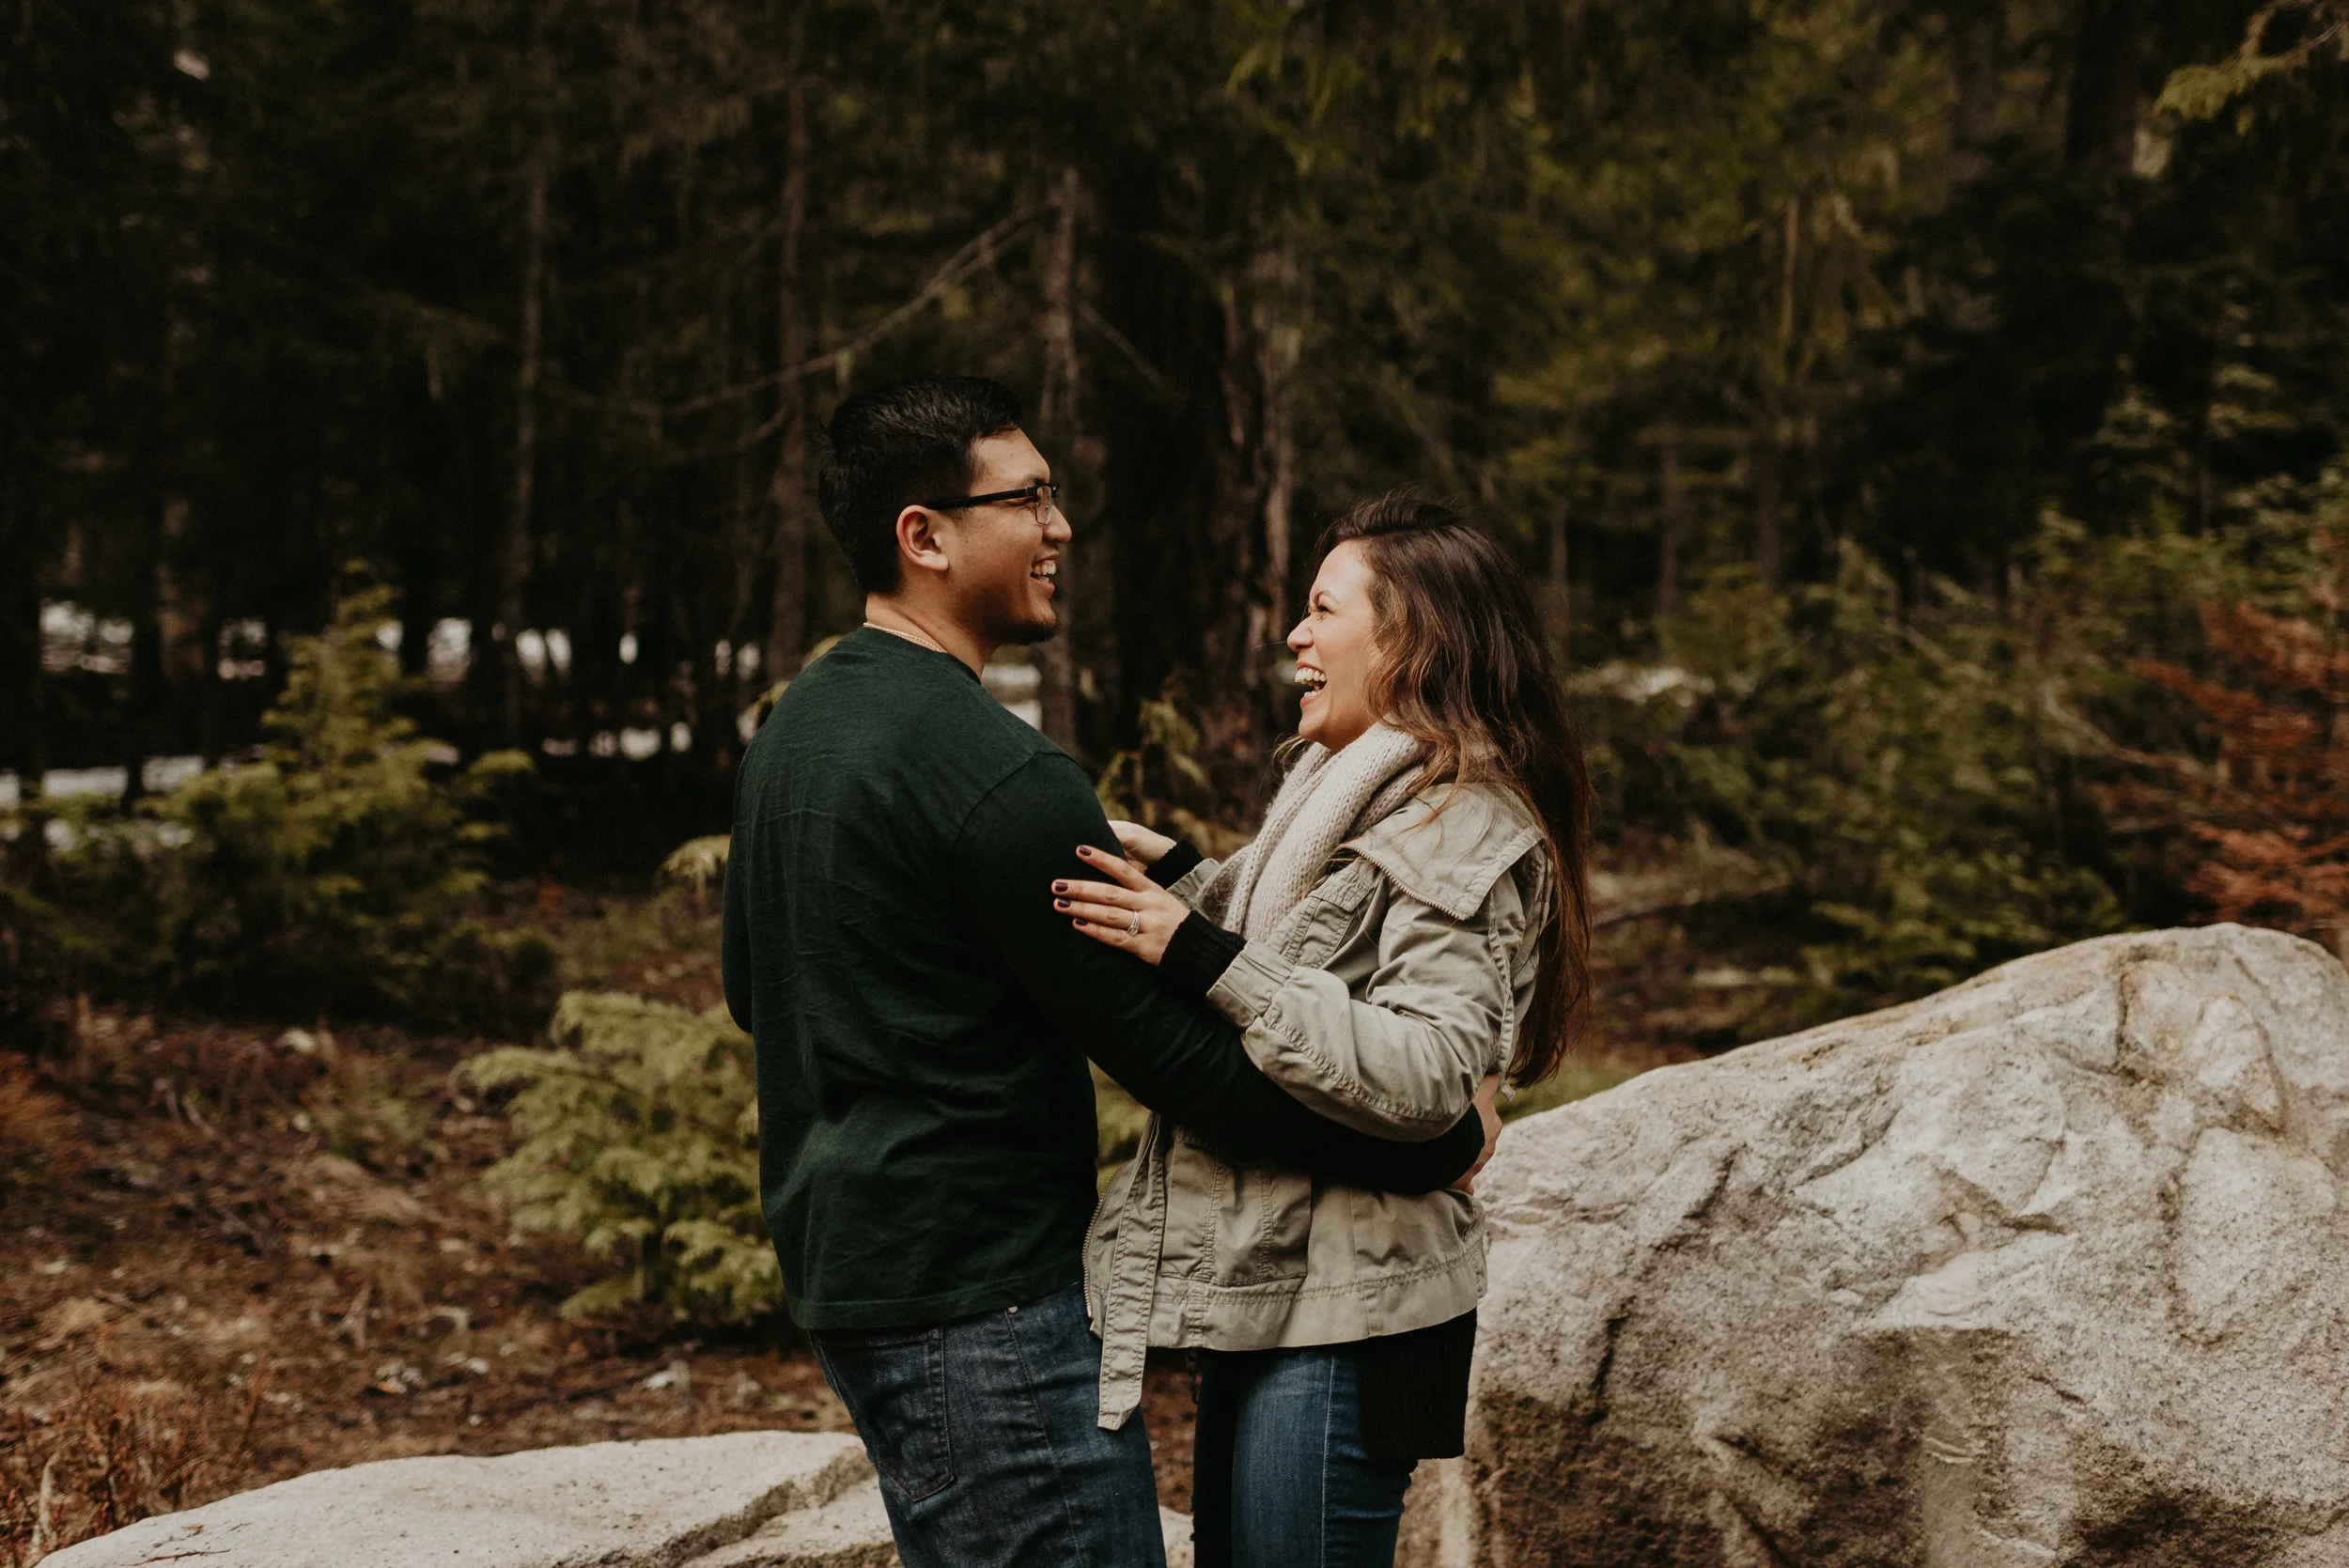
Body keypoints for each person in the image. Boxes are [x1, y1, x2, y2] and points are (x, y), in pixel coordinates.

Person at [720, 379, 1503, 1568]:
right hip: (989, 1307)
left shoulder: (799, 728)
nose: (1059, 526)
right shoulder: (1001, 775)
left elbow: (748, 988)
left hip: (849, 1279)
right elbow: (1179, 1064)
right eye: (1026, 497)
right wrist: (1435, 1145)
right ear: (922, 536)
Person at [1053, 493, 1595, 1568]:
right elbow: (1318, 963)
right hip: (1280, 1285)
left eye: (1322, 610)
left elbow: (1429, 1069)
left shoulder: (1460, 817)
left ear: (1409, 639)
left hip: (1361, 1310)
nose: (1296, 638)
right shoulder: (1347, 802)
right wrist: (1187, 885)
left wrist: (1198, 950)